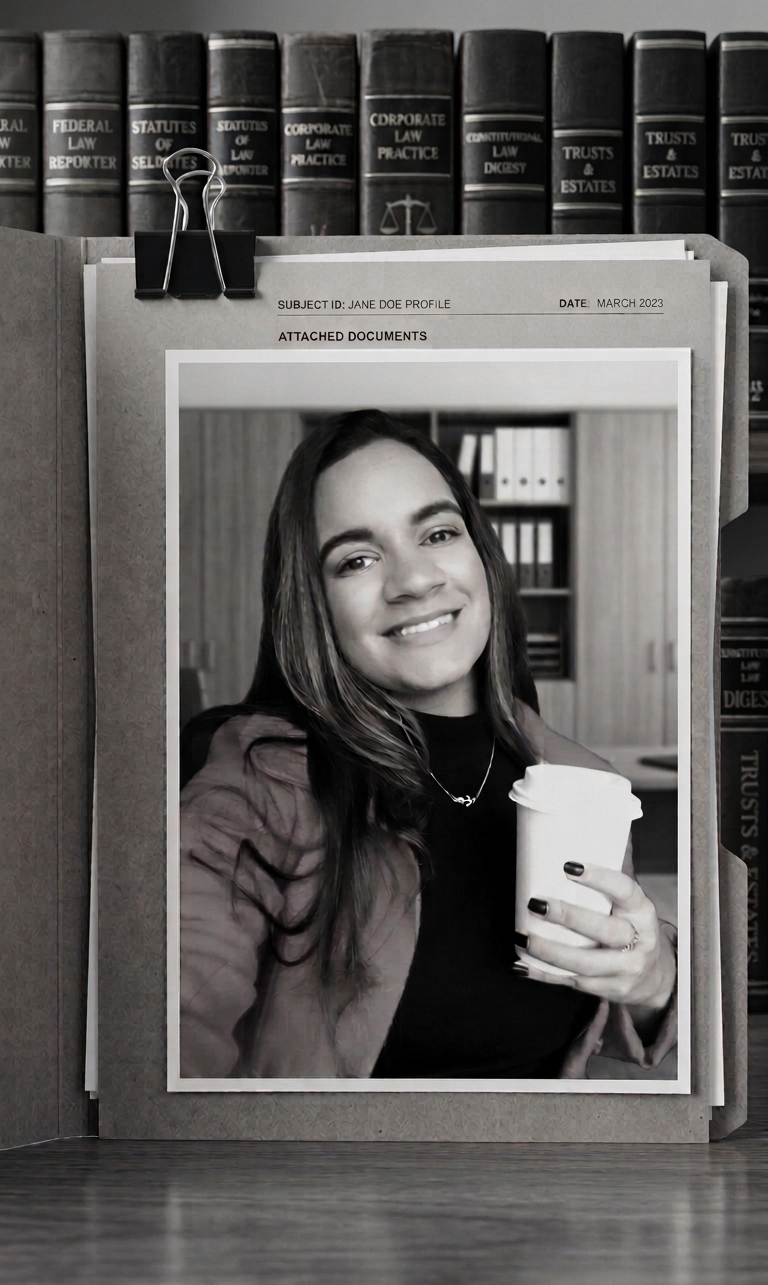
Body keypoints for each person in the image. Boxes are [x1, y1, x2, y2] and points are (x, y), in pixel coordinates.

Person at [179, 410, 677, 1080]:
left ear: (481, 555)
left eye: (438, 532)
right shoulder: (259, 781)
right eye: (357, 558)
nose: (413, 580)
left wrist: (652, 986)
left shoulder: (577, 777)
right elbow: (169, 1013)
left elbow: (598, 1022)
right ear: (314, 606)